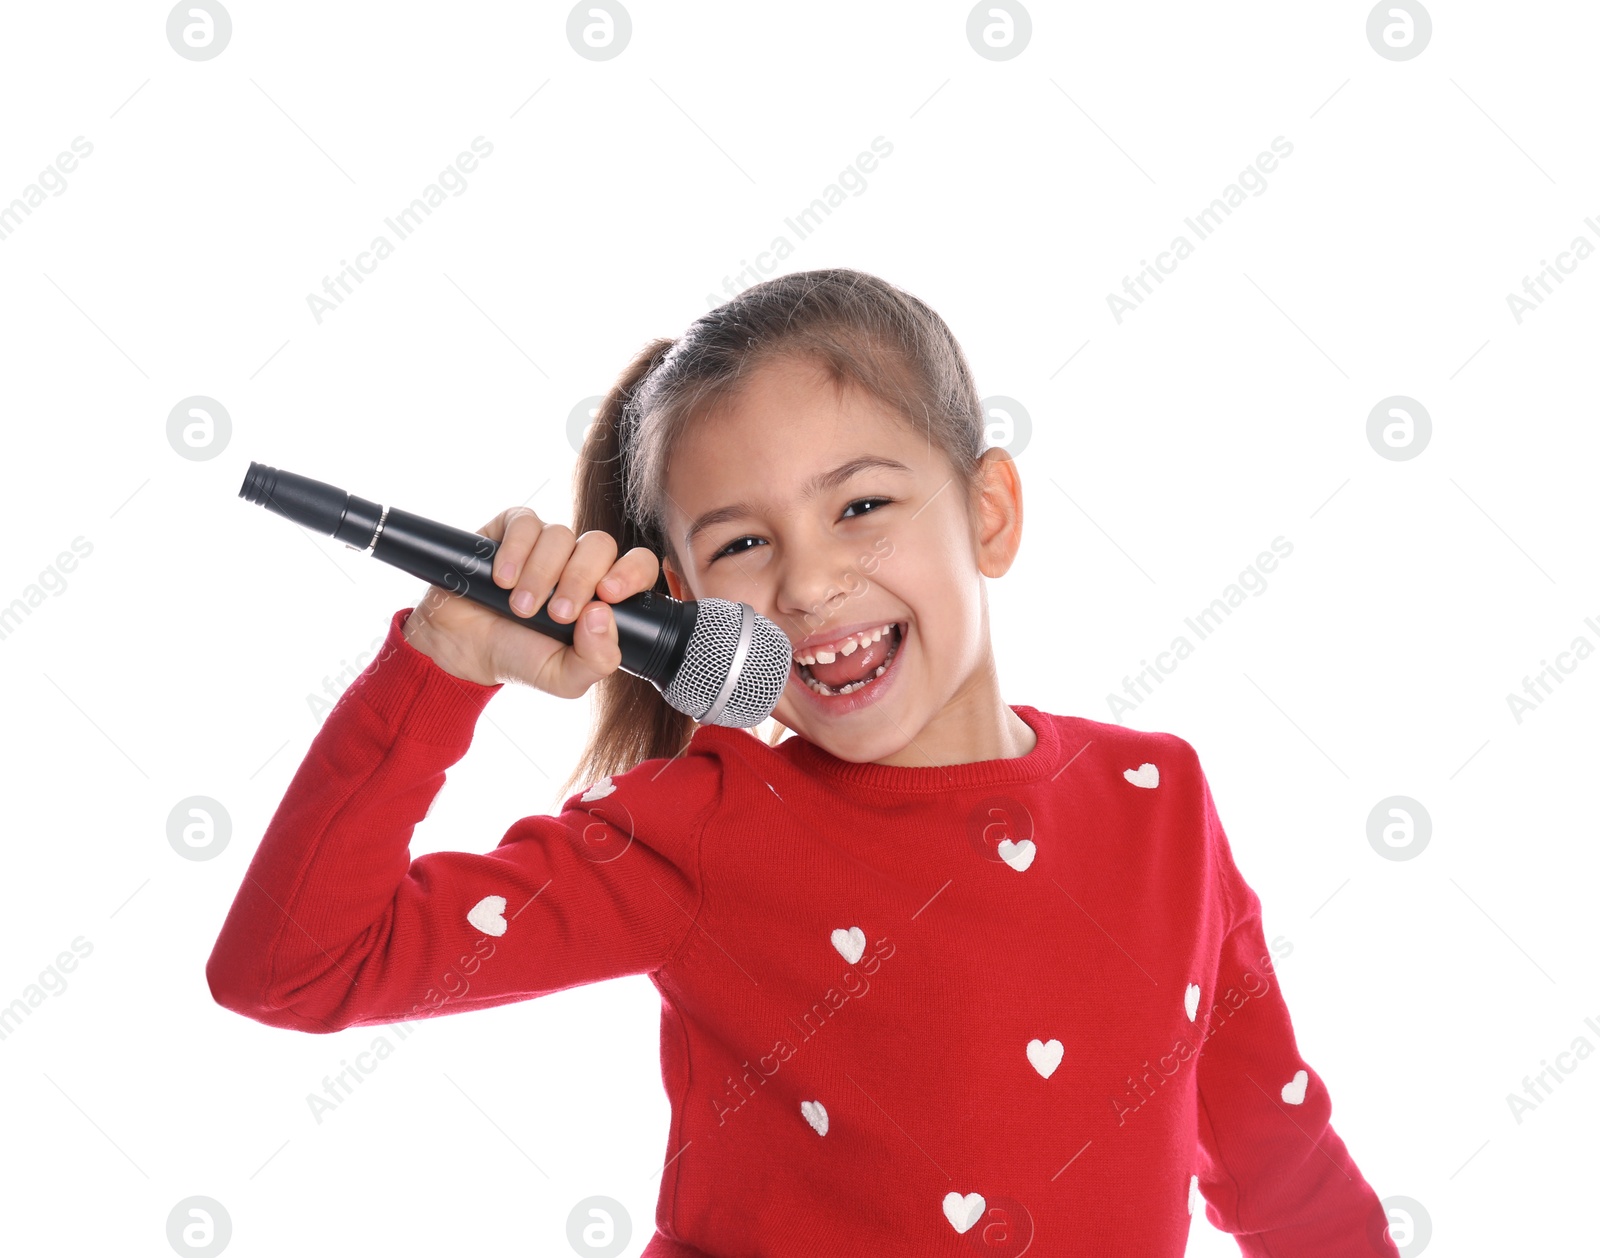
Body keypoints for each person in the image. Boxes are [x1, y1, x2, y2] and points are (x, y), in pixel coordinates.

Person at [207, 268, 1401, 1257]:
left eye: (861, 505)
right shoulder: (701, 825)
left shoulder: (1160, 798)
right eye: (740, 542)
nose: (812, 582)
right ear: (685, 609)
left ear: (988, 512)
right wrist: (442, 664)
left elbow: (1276, 1157)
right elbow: (294, 968)